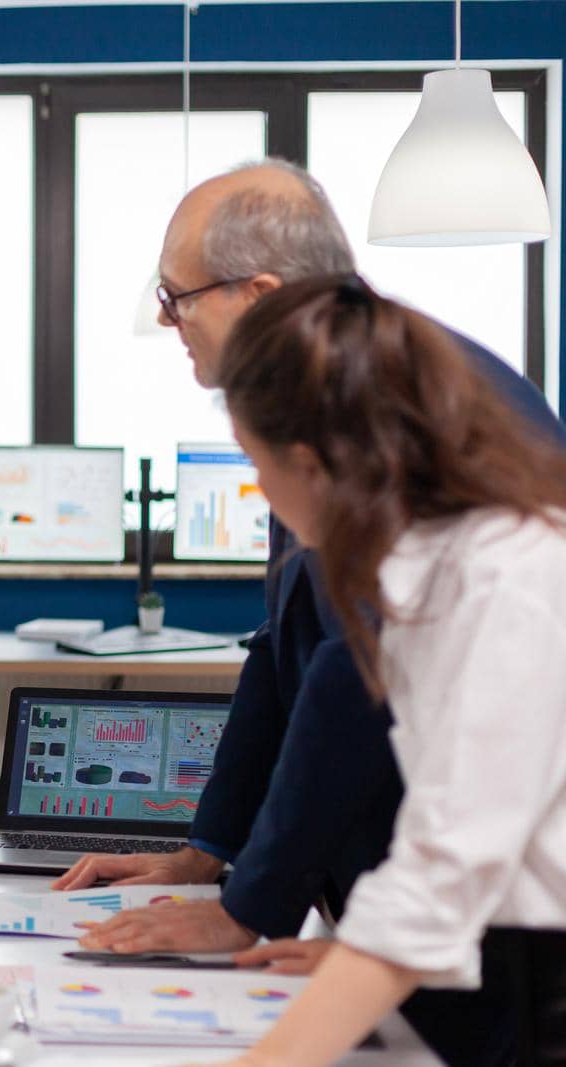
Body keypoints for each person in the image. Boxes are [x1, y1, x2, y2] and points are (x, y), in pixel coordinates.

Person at [53, 160, 564, 1063]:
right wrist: (227, 863)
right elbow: (294, 653)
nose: (168, 319)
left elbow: (442, 848)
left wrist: (271, 915)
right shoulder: (377, 457)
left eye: (179, 297)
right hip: (445, 921)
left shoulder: (504, 564)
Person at [185, 274, 566, 1067]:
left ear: (310, 464)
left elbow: (445, 869)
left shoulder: (510, 577)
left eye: (256, 469)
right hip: (506, 958)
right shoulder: (420, 576)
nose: (262, 496)